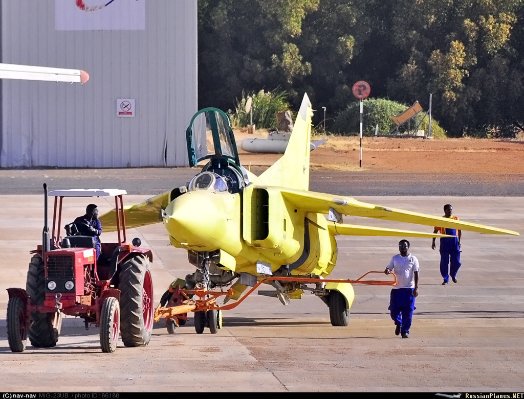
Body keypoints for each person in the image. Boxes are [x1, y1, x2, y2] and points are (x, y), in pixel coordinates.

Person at [384, 239, 419, 338]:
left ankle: (405, 331)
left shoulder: (413, 259)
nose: (402, 248)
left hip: (409, 289)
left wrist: (416, 288)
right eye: (400, 246)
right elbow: (389, 268)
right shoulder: (395, 258)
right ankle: (398, 322)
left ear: (408, 247)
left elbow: (416, 273)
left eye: (404, 246)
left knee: (408, 312)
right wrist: (387, 270)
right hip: (396, 289)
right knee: (393, 312)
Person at [432, 203, 461, 285]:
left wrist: (459, 241)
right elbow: (435, 231)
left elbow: (459, 230)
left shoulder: (456, 219)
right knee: (444, 262)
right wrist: (433, 241)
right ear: (445, 211)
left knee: (457, 261)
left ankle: (453, 274)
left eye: (451, 210)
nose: (450, 211)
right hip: (444, 242)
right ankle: (445, 278)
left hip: (454, 241)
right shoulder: (440, 220)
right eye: (448, 210)